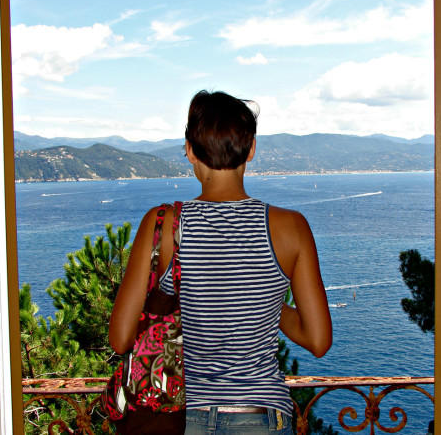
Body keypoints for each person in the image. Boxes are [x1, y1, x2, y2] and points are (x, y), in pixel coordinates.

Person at [109, 90, 332, 434]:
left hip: (181, 419)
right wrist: (267, 303)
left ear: (189, 151)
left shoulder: (163, 224)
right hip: (262, 416)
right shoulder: (292, 228)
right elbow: (318, 341)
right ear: (252, 149)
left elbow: (121, 339)